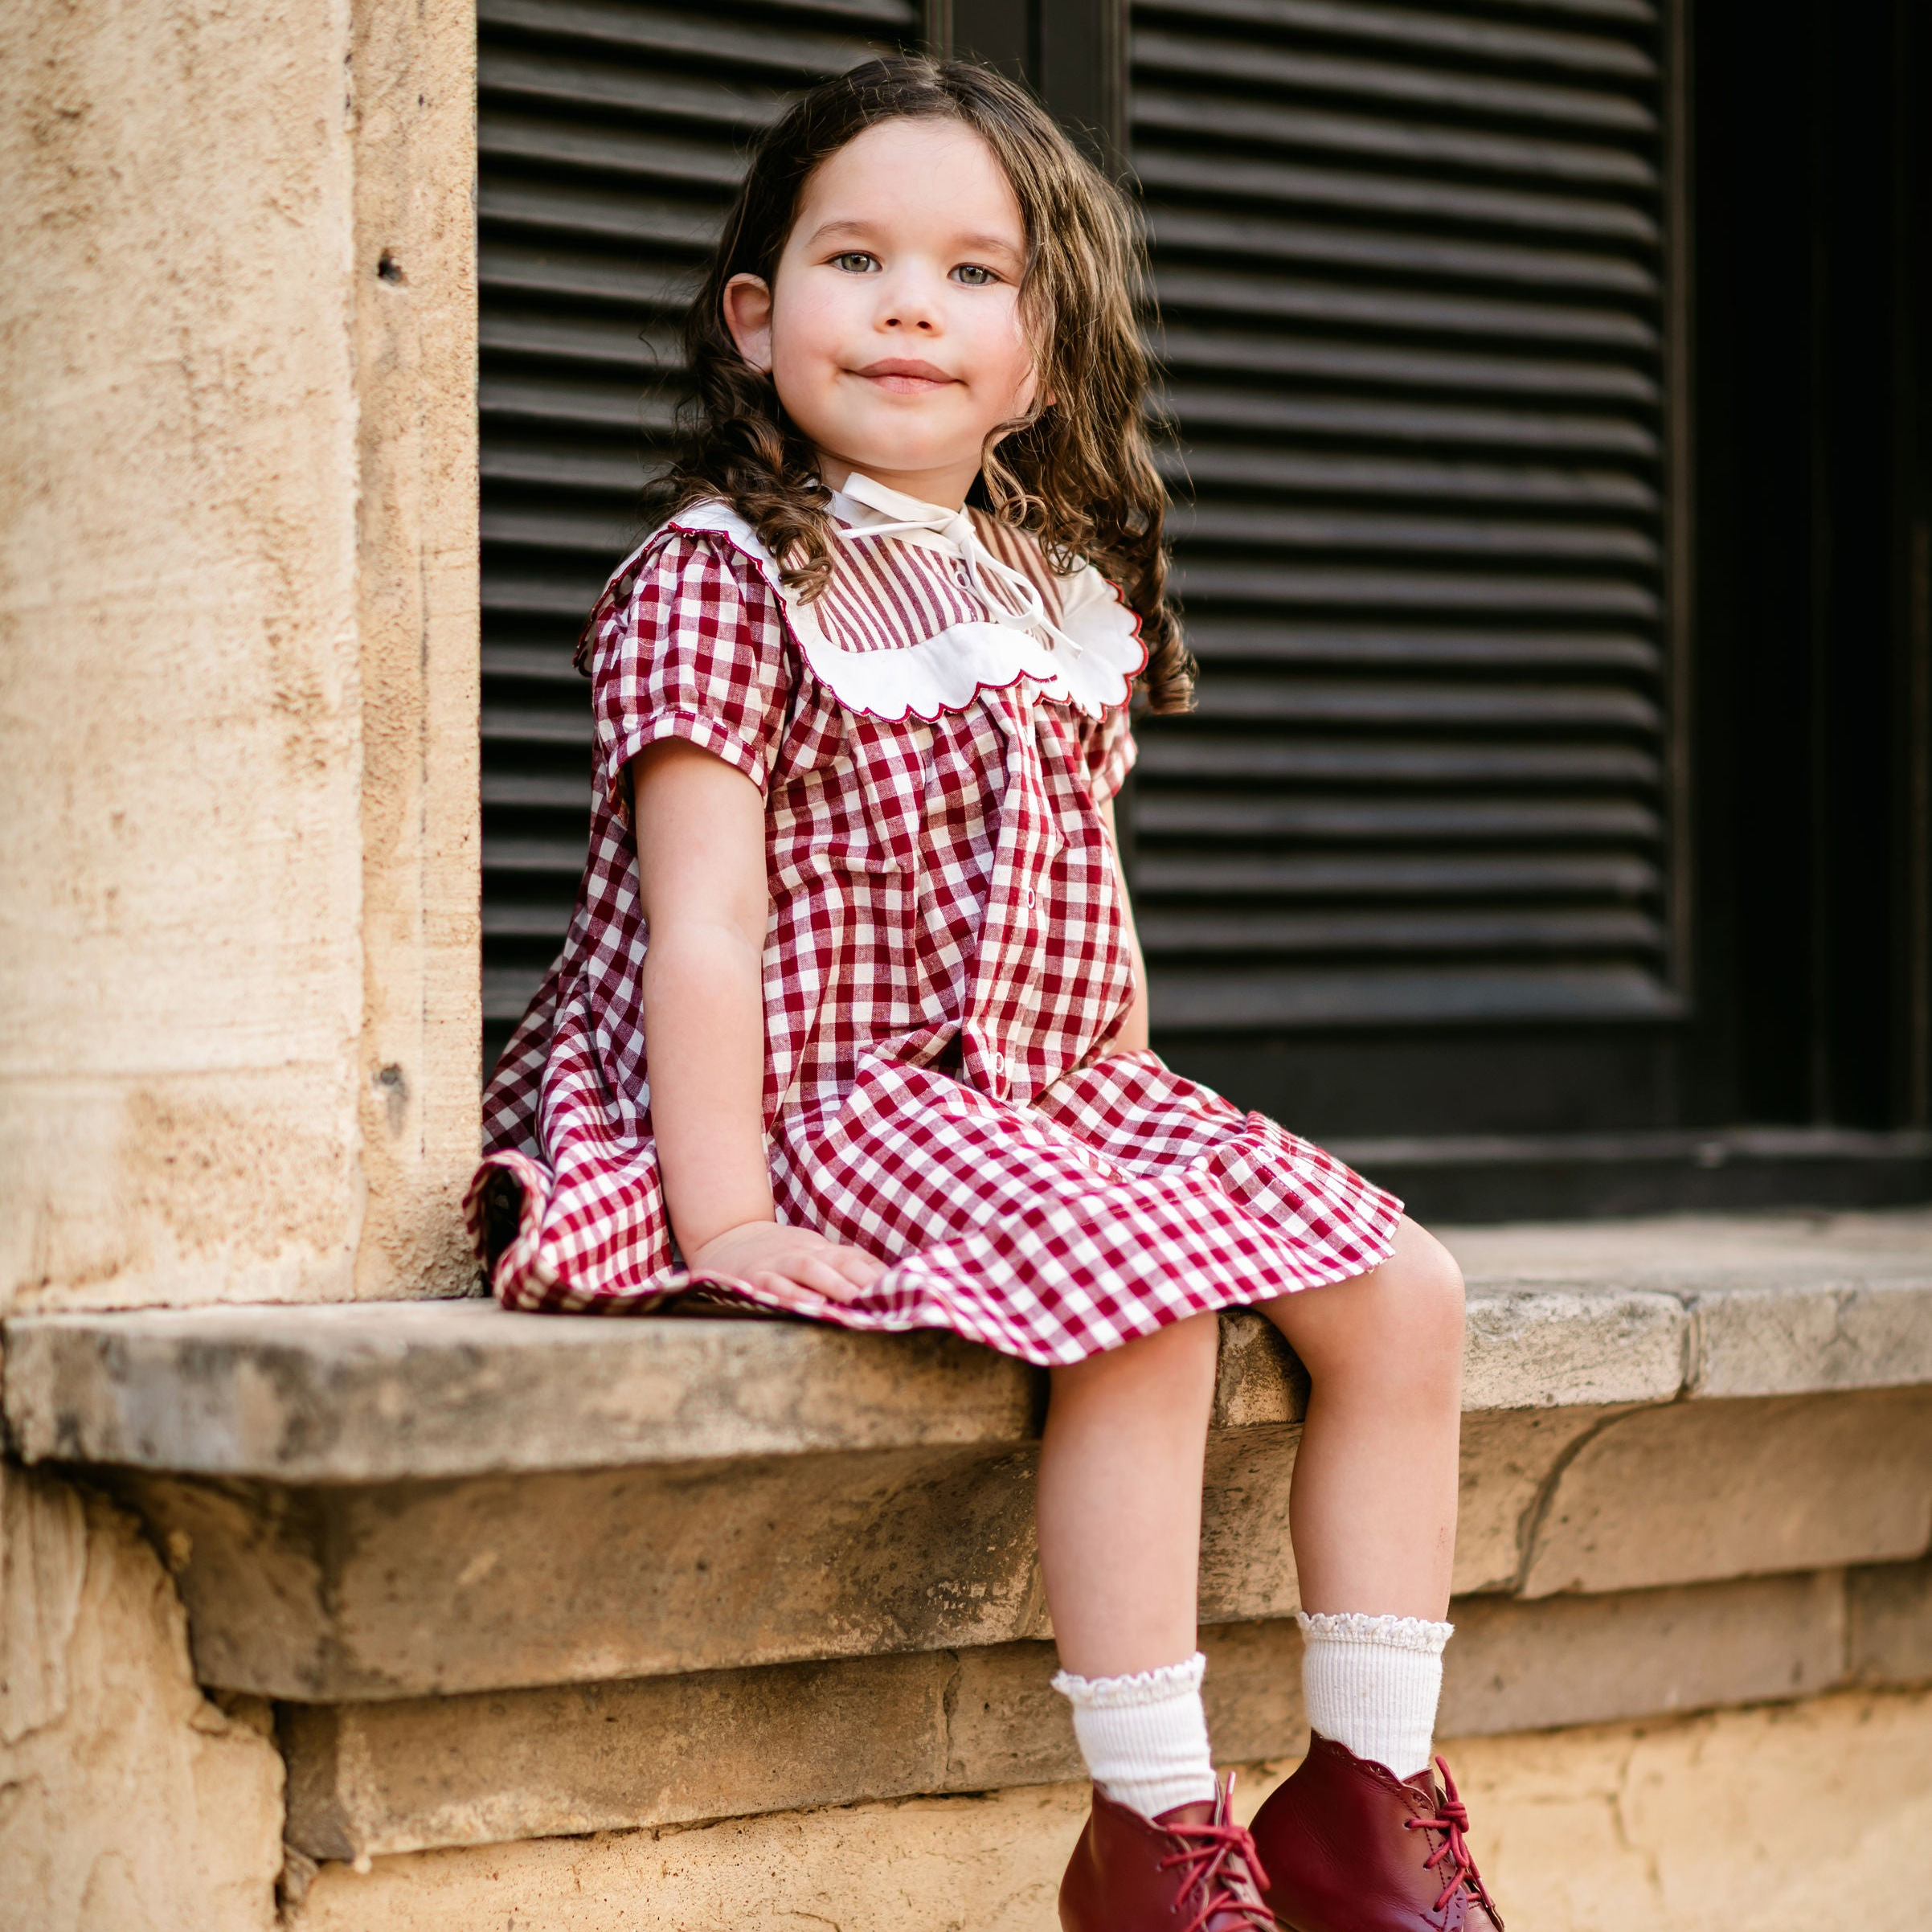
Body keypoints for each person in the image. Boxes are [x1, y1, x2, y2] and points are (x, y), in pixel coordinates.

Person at [469, 54, 1503, 1932]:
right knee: (1146, 1304)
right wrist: (728, 1208)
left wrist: (1149, 1116)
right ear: (754, 312)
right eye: (854, 258)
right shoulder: (722, 579)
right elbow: (694, 924)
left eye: (972, 273)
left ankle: (1367, 1788)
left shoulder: (1052, 589)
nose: (905, 309)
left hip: (1042, 1083)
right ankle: (1154, 1831)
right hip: (822, 1090)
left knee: (1402, 1290)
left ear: (1042, 348)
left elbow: (1076, 897)